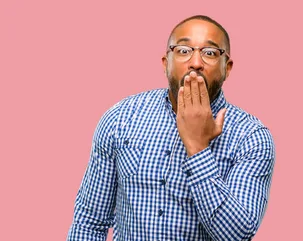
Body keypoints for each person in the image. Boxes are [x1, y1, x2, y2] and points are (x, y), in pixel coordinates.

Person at [67, 15, 276, 241]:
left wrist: (198, 148)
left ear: (228, 67)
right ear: (166, 62)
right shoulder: (120, 119)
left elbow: (237, 234)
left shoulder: (252, 137)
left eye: (210, 53)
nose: (196, 62)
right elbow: (89, 222)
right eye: (184, 50)